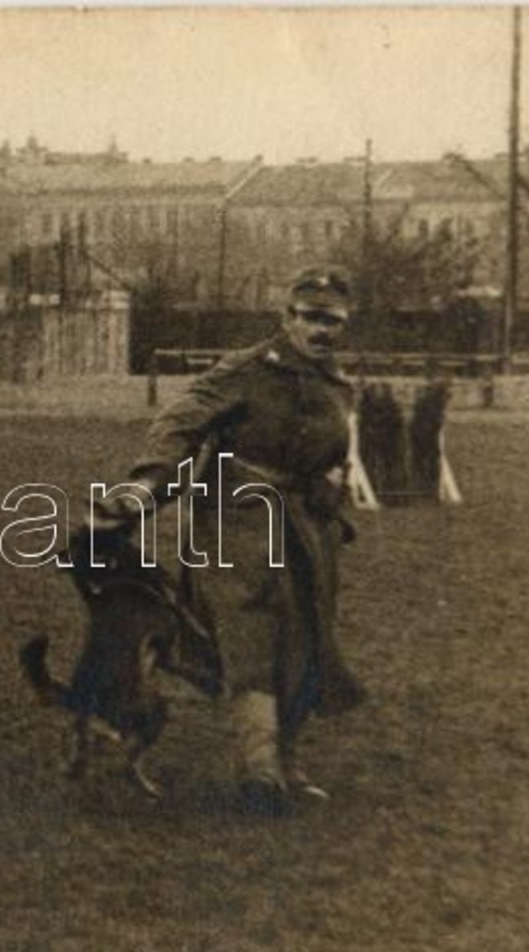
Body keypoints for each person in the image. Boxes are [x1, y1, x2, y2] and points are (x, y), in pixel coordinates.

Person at [90, 264, 368, 817]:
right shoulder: (244, 371)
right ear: (286, 318)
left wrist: (331, 493)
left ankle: (286, 761)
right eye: (310, 318)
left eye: (332, 321)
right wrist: (147, 485)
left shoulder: (339, 386)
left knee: (304, 640)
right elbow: (178, 424)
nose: (322, 331)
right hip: (236, 521)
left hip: (308, 533)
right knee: (251, 633)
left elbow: (335, 454)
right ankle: (260, 771)